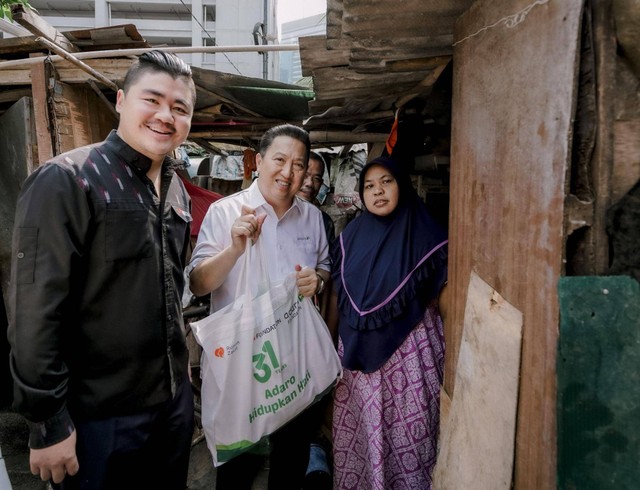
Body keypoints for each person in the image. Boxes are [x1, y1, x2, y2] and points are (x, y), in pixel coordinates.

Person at [7, 50, 197, 490]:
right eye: (153, 99)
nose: (165, 115)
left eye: (180, 108)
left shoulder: (176, 191)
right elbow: (34, 312)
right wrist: (47, 421)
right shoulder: (67, 180)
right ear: (121, 100)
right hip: (98, 420)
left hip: (172, 409)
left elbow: (170, 288)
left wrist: (179, 364)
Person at [188, 123, 331, 490]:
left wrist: (318, 279)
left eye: (298, 164)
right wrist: (234, 249)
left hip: (294, 366)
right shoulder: (225, 212)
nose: (288, 172)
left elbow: (325, 269)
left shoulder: (312, 218)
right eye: (280, 160)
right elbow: (198, 284)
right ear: (259, 160)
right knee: (237, 470)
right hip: (240, 364)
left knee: (290, 463)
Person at [330, 156, 448, 489]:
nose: (378, 191)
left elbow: (443, 292)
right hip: (357, 368)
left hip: (409, 364)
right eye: (369, 186)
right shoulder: (350, 236)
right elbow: (341, 295)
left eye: (387, 182)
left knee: (407, 441)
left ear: (402, 185)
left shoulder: (427, 232)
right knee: (365, 442)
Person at [297, 151, 335, 245]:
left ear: (321, 184)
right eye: (305, 176)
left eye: (316, 179)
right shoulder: (273, 214)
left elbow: (327, 258)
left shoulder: (323, 221)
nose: (310, 183)